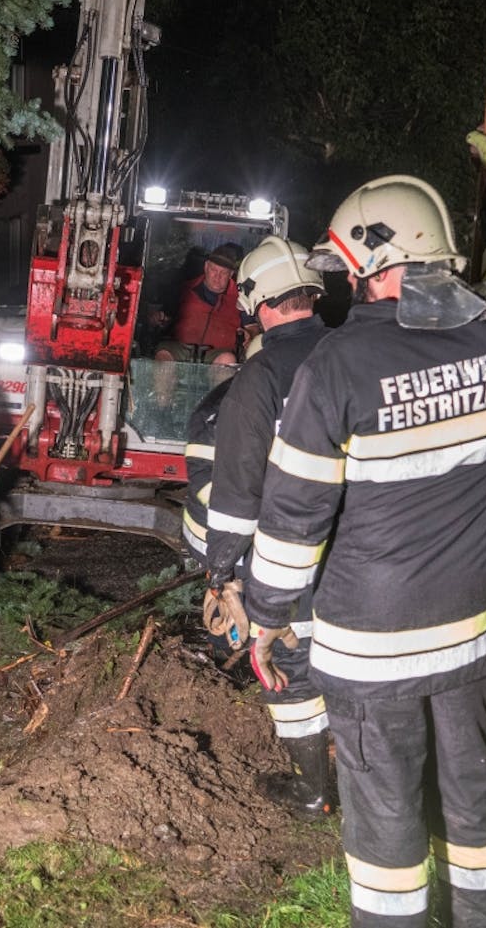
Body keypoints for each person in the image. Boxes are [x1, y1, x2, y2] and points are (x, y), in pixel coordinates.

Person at [243, 125, 486, 927]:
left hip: (372, 647)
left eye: (347, 267)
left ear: (381, 264)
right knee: (472, 797)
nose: (341, 283)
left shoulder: (337, 369)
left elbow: (291, 519)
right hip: (471, 634)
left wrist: (266, 617)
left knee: (386, 822)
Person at [199, 235, 333, 818]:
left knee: (289, 660)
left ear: (256, 301)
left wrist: (220, 567)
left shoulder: (259, 378)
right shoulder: (351, 353)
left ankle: (314, 789)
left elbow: (236, 491)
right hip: (366, 553)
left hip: (290, 554)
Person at [155, 242, 244, 364]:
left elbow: (252, 329)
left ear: (231, 275)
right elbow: (164, 316)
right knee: (163, 355)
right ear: (206, 267)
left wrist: (249, 334)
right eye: (214, 270)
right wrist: (158, 318)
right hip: (182, 349)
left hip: (218, 353)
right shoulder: (184, 290)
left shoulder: (241, 298)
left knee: (228, 359)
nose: (217, 276)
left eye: (223, 273)